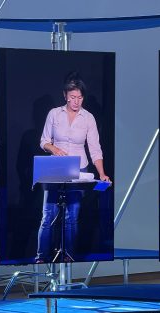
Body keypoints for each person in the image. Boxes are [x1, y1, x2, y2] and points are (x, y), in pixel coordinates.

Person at [36, 73, 110, 262]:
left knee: (72, 216)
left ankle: (69, 255)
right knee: (48, 214)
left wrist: (102, 173)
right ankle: (41, 256)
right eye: (72, 97)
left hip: (79, 168)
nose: (76, 101)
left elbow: (95, 148)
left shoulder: (88, 118)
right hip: (56, 168)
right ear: (65, 95)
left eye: (80, 97)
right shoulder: (54, 114)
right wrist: (54, 148)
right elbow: (44, 141)